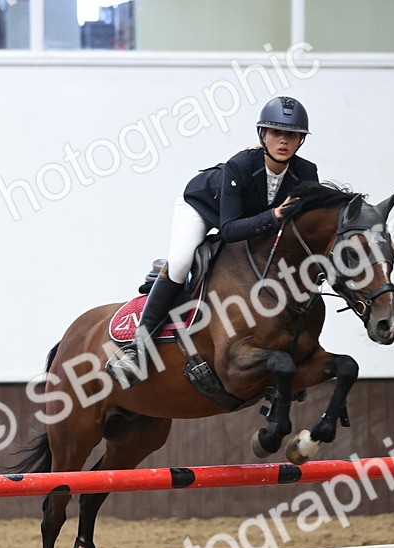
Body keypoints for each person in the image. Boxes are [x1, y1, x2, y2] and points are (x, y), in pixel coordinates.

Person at [106, 96, 319, 386]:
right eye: (276, 133)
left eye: (292, 135)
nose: (283, 141)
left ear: (300, 141)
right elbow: (229, 229)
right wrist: (275, 215)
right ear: (263, 135)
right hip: (202, 208)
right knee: (181, 262)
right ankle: (137, 348)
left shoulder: (306, 173)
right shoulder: (240, 165)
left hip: (250, 216)